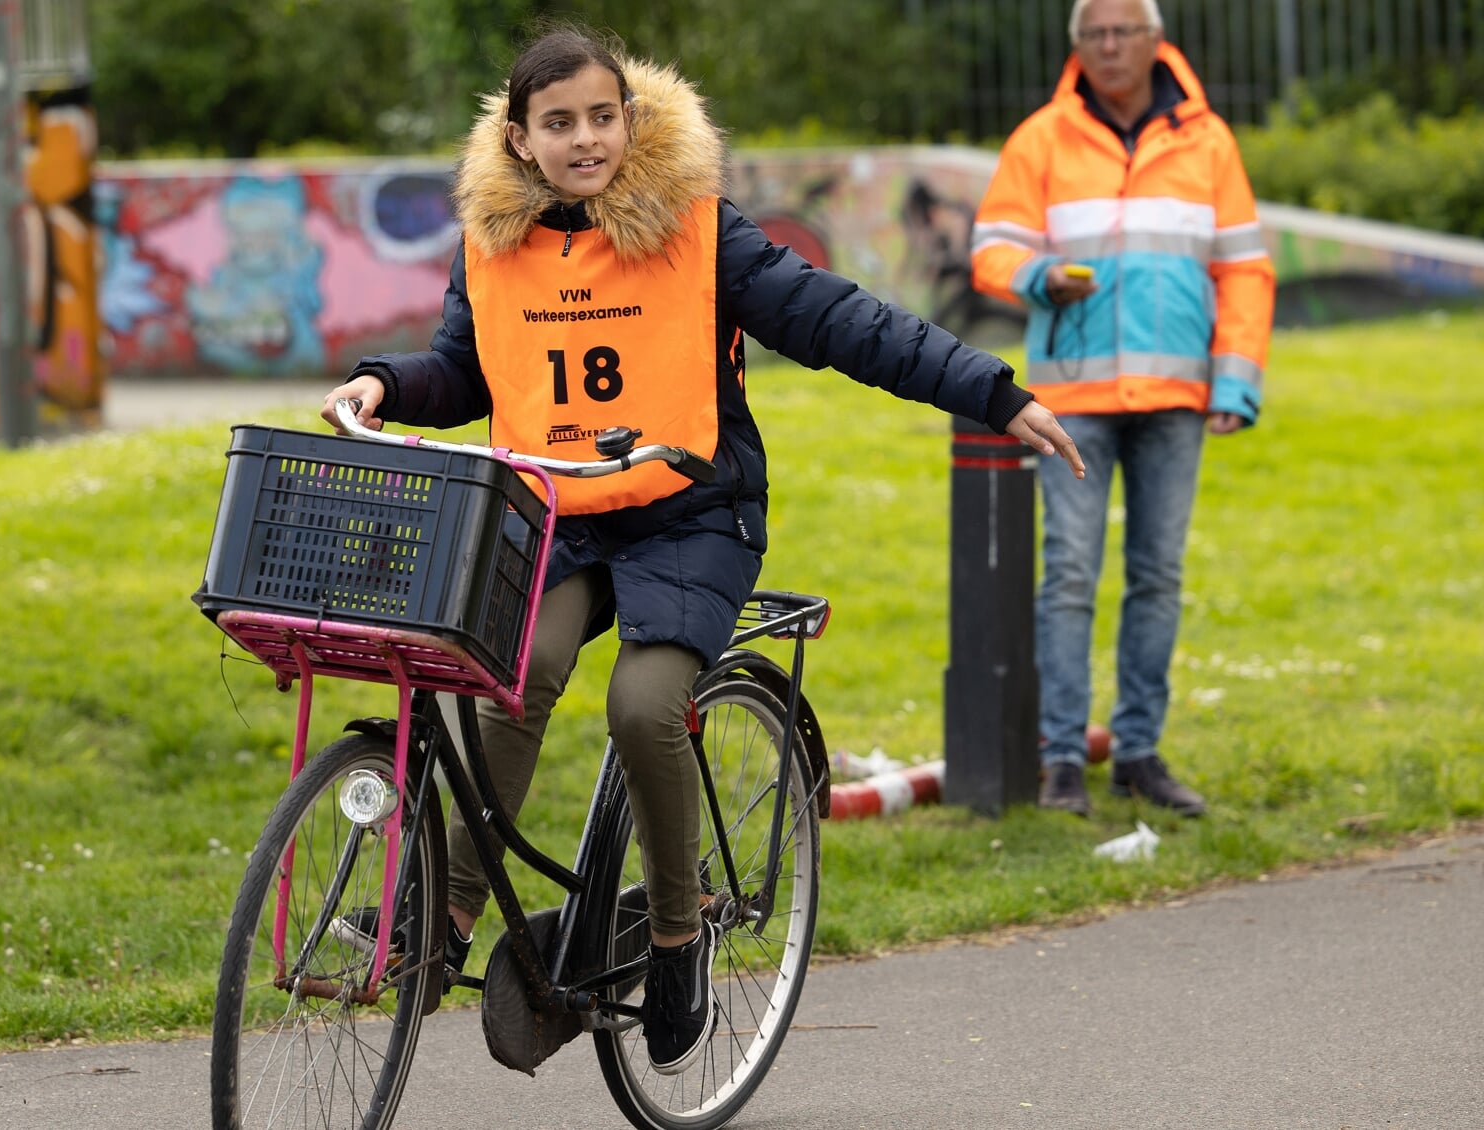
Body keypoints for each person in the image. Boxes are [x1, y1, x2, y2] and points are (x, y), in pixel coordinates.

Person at [320, 23, 1083, 1074]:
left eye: (601, 116)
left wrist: (991, 392)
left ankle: (677, 936)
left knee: (643, 704)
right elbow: (464, 369)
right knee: (513, 674)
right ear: (519, 139)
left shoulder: (699, 230)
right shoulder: (490, 246)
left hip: (691, 512)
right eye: (558, 123)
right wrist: (386, 383)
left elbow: (842, 322)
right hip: (562, 511)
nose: (584, 139)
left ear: (629, 120)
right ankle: (443, 913)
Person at [970, 0, 1276, 818]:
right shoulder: (1041, 137)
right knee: (1069, 575)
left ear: (1154, 41)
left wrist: (1236, 380)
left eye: (1123, 32)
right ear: (1078, 46)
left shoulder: (1209, 141)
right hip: (1072, 399)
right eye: (1093, 35)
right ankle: (1063, 762)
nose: (1109, 47)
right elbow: (990, 249)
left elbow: (1245, 269)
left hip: (1178, 396)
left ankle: (1137, 751)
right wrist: (1037, 277)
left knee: (1157, 576)